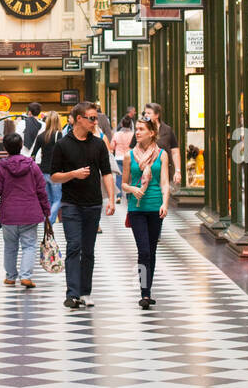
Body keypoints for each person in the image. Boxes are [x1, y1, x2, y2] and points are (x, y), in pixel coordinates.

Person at [51, 102, 115, 310]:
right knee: (74, 246)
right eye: (92, 118)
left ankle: (85, 291)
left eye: (95, 118)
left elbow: (106, 172)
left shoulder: (98, 144)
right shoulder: (62, 145)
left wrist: (112, 199)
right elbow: (54, 176)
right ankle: (72, 293)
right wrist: (73, 174)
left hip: (93, 204)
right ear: (79, 118)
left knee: (88, 250)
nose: (95, 122)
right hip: (71, 204)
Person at [0, 132, 49, 288]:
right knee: (29, 245)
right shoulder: (32, 165)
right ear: (21, 145)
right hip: (30, 212)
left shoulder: (0, 166)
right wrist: (46, 211)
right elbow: (41, 189)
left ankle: (10, 276)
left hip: (8, 213)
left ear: (5, 147)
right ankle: (26, 276)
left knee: (10, 245)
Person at [123, 115, 170, 309]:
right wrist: (133, 190)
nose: (138, 132)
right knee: (143, 250)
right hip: (137, 208)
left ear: (152, 133)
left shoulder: (161, 155)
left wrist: (165, 203)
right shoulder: (129, 156)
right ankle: (144, 293)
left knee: (151, 250)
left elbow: (165, 182)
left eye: (142, 129)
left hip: (155, 206)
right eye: (137, 129)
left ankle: (148, 291)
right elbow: (124, 184)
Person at [31, 110, 64, 227]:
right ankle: (49, 221)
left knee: (49, 200)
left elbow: (33, 155)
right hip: (55, 172)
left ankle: (48, 221)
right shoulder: (59, 135)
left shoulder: (41, 136)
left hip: (43, 171)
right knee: (58, 199)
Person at [144, 102, 182, 186]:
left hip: (165, 172)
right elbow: (132, 149)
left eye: (149, 113)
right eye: (145, 113)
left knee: (165, 196)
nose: (146, 115)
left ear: (157, 115)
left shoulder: (167, 130)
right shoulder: (141, 129)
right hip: (145, 173)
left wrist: (178, 171)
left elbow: (175, 152)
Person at [111, 114, 135, 204]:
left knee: (119, 177)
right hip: (129, 158)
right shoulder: (133, 135)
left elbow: (112, 146)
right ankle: (129, 196)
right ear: (130, 125)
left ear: (121, 124)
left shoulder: (116, 134)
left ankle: (118, 196)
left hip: (119, 158)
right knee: (129, 178)